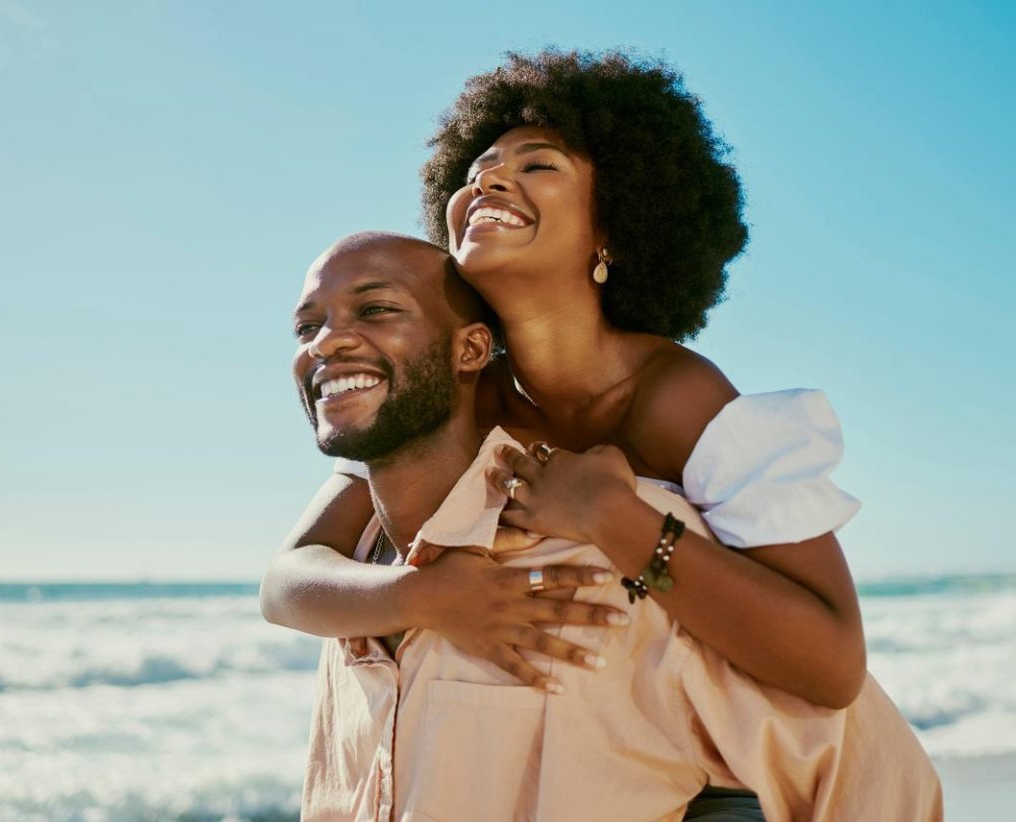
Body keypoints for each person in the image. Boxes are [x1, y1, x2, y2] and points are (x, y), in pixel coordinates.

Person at [262, 49, 877, 818]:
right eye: (478, 167)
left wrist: (611, 517)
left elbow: (832, 665)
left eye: (538, 164)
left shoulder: (672, 398)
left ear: (613, 229)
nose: (487, 180)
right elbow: (286, 581)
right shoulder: (460, 391)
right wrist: (424, 597)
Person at [291, 232, 941, 821]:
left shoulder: (611, 551)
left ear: (471, 348)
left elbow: (866, 772)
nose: (324, 343)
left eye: (375, 310)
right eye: (307, 326)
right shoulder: (349, 582)